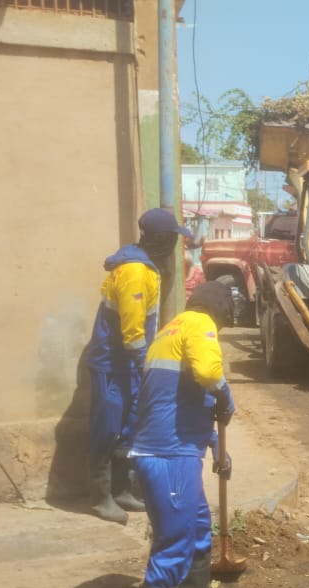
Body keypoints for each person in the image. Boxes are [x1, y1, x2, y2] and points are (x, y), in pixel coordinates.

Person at [126, 281, 236, 588]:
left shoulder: (170, 329)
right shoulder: (199, 324)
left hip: (177, 449)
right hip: (168, 454)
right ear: (221, 314)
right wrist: (223, 391)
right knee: (173, 544)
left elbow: (176, 398)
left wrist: (212, 444)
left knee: (198, 527)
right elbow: (208, 372)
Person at [82, 208, 193, 524]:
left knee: (128, 427)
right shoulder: (134, 272)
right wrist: (147, 367)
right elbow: (132, 331)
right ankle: (100, 496)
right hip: (114, 365)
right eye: (172, 239)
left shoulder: (146, 269)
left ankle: (120, 491)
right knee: (108, 428)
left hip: (126, 366)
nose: (175, 245)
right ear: (161, 240)